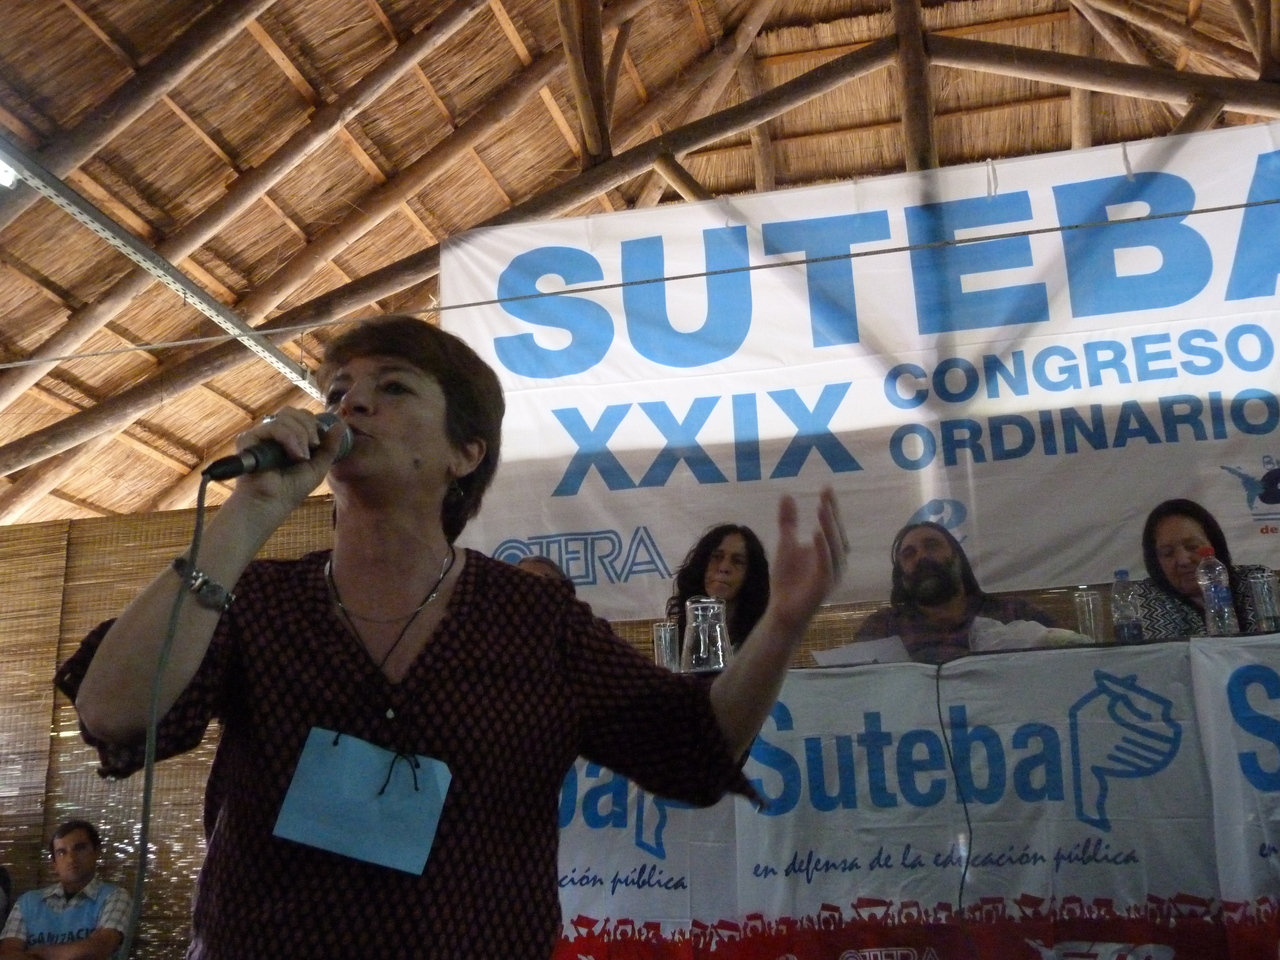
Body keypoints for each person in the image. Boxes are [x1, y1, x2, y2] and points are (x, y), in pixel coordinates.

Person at [56, 315, 848, 960]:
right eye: (337, 390)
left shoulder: (535, 622)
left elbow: (695, 748)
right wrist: (251, 509)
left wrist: (782, 624)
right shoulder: (257, 600)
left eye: (393, 387)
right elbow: (113, 712)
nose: (350, 404)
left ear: (465, 454)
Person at [854, 520, 1057, 664]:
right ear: (901, 577)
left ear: (958, 558)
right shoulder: (881, 628)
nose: (922, 557)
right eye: (909, 554)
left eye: (932, 546)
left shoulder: (1015, 613)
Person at [1133, 498, 1268, 638]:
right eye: (1168, 553)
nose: (1183, 560)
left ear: (1214, 545)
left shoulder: (1254, 580)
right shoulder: (1146, 595)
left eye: (1192, 546)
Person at [0, 820, 130, 960]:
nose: (71, 859)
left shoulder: (114, 896)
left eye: (79, 848)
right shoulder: (28, 902)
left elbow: (99, 948)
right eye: (62, 853)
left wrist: (38, 952)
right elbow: (7, 955)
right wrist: (75, 950)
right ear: (54, 863)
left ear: (97, 851)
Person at [666, 524, 770, 651]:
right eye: (716, 557)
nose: (724, 568)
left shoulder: (764, 640)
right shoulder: (676, 638)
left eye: (737, 561)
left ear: (751, 574)